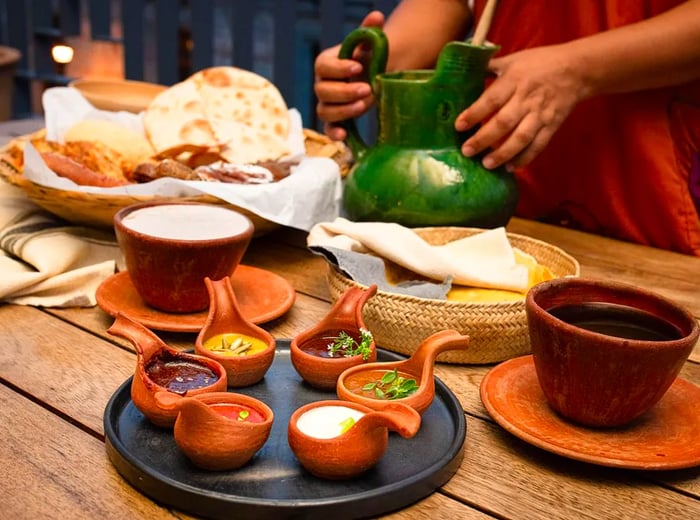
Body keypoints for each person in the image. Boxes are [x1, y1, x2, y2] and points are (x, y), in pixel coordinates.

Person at [314, 0, 700, 256]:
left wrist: (578, 69)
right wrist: (366, 67)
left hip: (651, 198)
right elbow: (431, 19)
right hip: (505, 203)